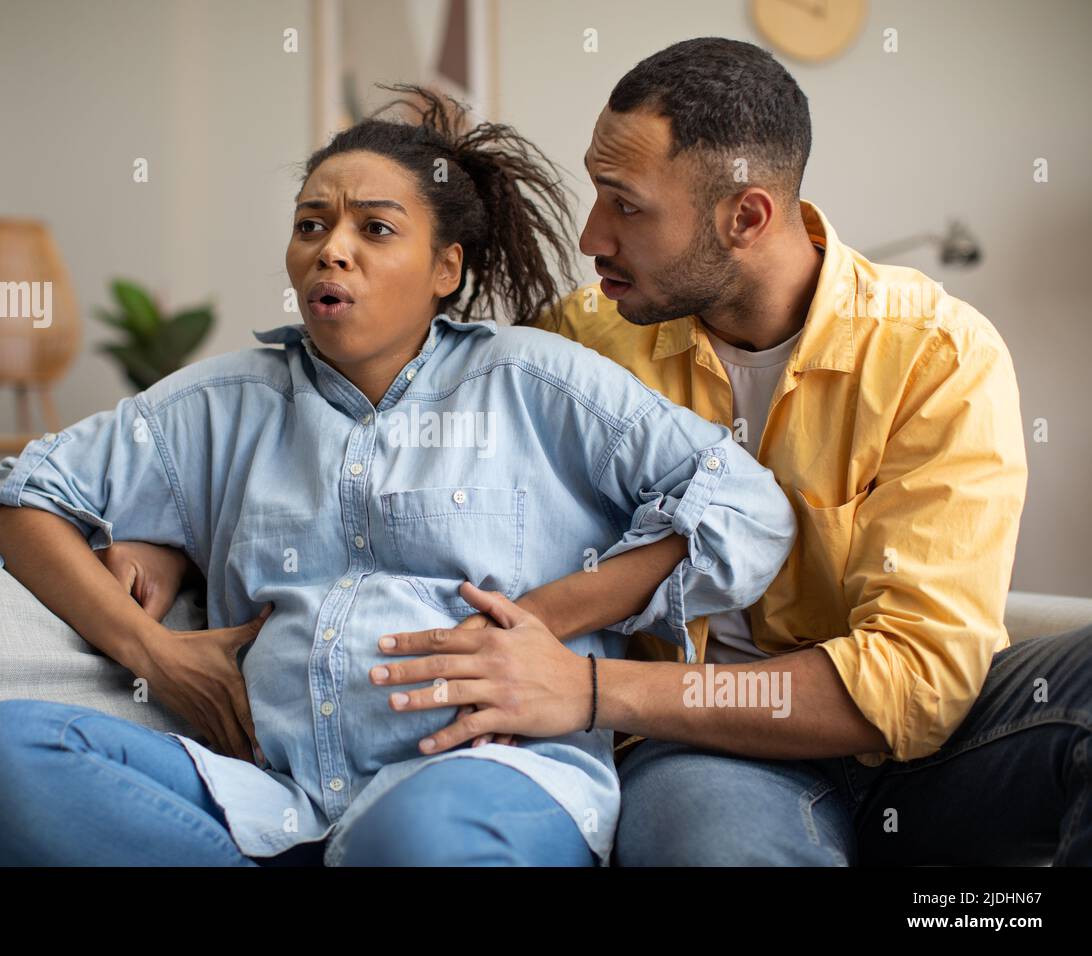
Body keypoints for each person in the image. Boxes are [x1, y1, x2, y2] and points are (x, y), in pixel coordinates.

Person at [0, 84, 797, 867]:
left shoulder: (536, 381)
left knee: (414, 836)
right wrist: (155, 654)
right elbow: (16, 502)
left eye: (374, 229)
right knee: (6, 751)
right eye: (311, 225)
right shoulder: (223, 402)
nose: (330, 251)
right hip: (275, 801)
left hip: (494, 781)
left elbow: (743, 507)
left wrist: (544, 617)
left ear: (445, 270)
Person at [365, 38, 1090, 866]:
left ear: (746, 217)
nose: (591, 236)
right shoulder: (582, 345)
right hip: (707, 751)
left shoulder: (938, 352)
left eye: (625, 205)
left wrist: (595, 691)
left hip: (930, 756)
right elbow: (400, 451)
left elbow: (916, 684)